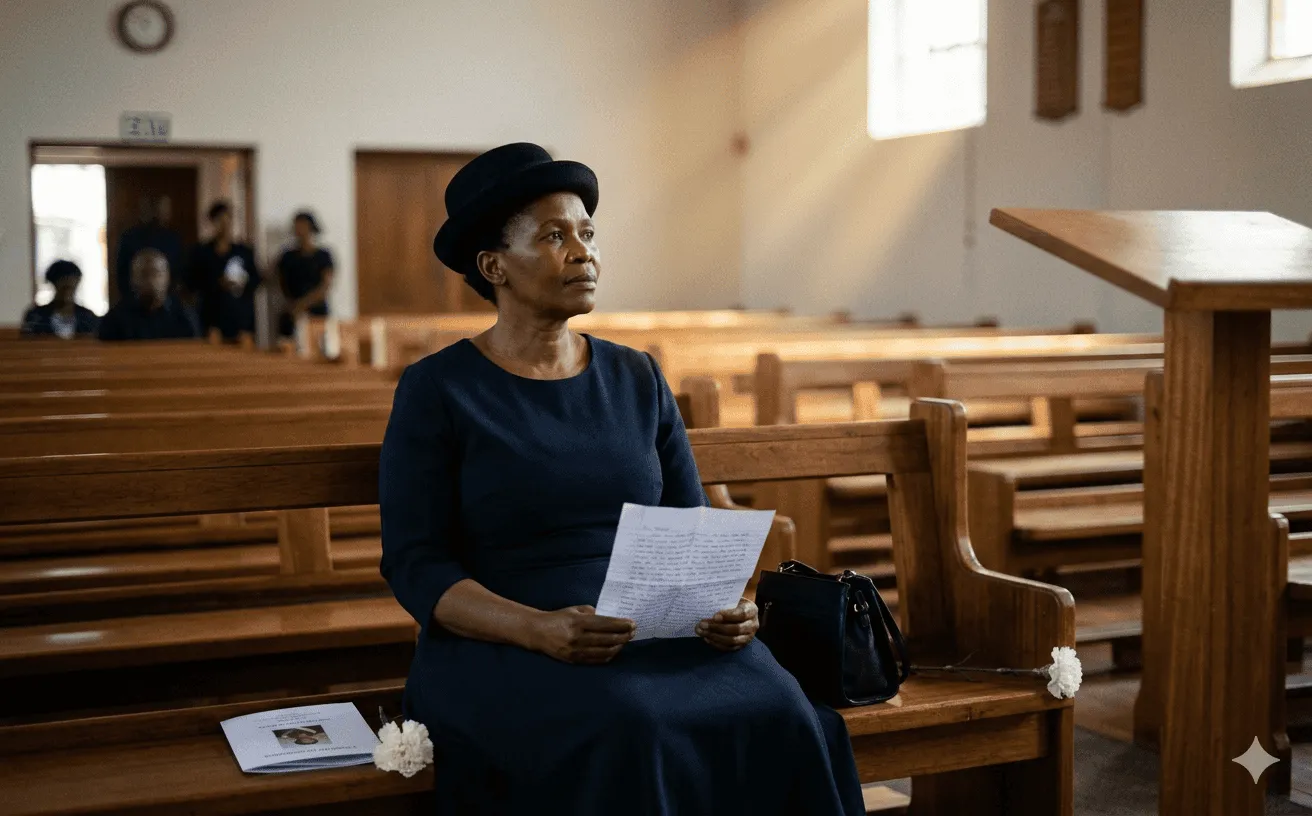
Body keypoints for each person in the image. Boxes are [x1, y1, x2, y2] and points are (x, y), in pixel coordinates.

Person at [379, 143, 864, 815]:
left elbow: (688, 524)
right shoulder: (438, 389)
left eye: (587, 233)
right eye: (553, 236)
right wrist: (537, 629)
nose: (583, 252)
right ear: (495, 267)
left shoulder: (636, 376)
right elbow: (415, 563)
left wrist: (727, 608)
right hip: (504, 641)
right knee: (635, 729)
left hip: (650, 629)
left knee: (783, 708)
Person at [188, 201, 260, 341]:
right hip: (212, 317)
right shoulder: (201, 252)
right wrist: (217, 283)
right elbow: (192, 283)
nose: (225, 224)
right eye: (220, 220)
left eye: (228, 219)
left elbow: (256, 279)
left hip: (241, 318)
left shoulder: (244, 251)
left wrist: (242, 282)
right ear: (212, 222)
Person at [99, 249, 201, 341]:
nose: (151, 280)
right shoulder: (115, 319)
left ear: (168, 278)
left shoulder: (184, 316)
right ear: (133, 279)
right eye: (144, 274)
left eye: (157, 274)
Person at [115, 194, 185, 302]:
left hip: (167, 302)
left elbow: (178, 272)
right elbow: (122, 275)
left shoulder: (173, 239)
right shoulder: (130, 238)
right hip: (134, 303)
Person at [276, 211, 334, 337]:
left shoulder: (323, 256)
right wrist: (293, 306)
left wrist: (302, 304)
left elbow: (325, 287)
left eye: (303, 225)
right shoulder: (287, 256)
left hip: (316, 311)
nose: (299, 230)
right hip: (292, 310)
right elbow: (281, 283)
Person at [20, 261, 100, 338]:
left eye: (71, 288)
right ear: (54, 284)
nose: (67, 293)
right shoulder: (36, 316)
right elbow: (28, 343)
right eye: (63, 288)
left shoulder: (88, 317)